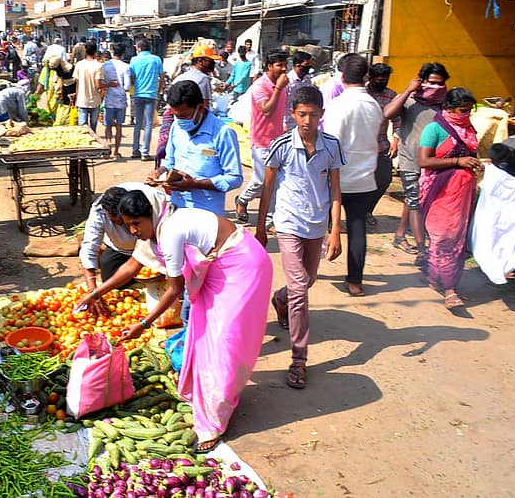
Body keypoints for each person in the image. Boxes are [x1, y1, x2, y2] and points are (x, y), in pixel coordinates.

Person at [76, 190, 272, 453]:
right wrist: (96, 292)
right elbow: (131, 267)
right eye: (128, 224)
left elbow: (174, 290)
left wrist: (143, 325)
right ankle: (202, 393)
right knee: (203, 333)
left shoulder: (168, 232)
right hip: (219, 266)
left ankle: (214, 422)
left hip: (242, 265)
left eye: (136, 224)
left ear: (149, 216)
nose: (132, 230)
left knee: (225, 342)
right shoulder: (157, 225)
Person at [255, 86, 344, 389]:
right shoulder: (280, 145)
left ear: (322, 115)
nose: (307, 120)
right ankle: (299, 359)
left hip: (317, 223)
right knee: (300, 291)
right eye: (302, 114)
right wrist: (261, 225)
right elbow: (268, 188)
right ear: (292, 114)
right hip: (288, 222)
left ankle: (280, 299)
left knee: (307, 281)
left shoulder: (331, 146)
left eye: (314, 114)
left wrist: (335, 230)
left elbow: (335, 190)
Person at [322, 54, 383, 297]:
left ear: (342, 76)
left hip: (338, 177)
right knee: (357, 229)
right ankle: (355, 280)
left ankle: (308, 271)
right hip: (365, 176)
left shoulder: (339, 105)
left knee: (319, 224)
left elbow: (331, 143)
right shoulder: (373, 105)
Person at [417, 87, 483, 310]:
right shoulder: (434, 129)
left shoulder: (469, 129)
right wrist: (458, 163)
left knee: (456, 239)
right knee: (443, 237)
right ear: (449, 108)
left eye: (469, 110)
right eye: (462, 110)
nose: (466, 115)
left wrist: (475, 163)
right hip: (440, 194)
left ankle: (437, 278)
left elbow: (471, 155)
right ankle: (450, 289)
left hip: (463, 195)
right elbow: (424, 161)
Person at [383, 62, 450, 264]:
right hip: (411, 159)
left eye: (440, 84)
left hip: (436, 163)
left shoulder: (445, 103)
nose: (435, 88)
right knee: (416, 203)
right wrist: (408, 90)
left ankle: (400, 235)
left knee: (416, 201)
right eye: (431, 83)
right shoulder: (410, 100)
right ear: (422, 81)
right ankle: (422, 249)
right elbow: (387, 113)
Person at [148, 80, 243, 214]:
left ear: (201, 108)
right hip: (177, 207)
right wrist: (158, 172)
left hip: (207, 211)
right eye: (175, 115)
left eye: (184, 115)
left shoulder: (223, 133)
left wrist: (195, 184)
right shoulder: (176, 127)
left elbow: (234, 178)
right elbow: (169, 161)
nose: (180, 120)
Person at [235, 48, 289, 227]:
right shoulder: (260, 86)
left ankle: (269, 220)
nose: (283, 69)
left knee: (275, 182)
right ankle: (242, 199)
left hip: (278, 139)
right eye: (279, 65)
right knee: (261, 181)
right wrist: (278, 88)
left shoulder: (283, 84)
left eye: (285, 65)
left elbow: (284, 109)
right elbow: (266, 110)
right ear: (269, 66)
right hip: (261, 141)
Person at [79, 184, 168, 290]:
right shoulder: (99, 211)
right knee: (111, 284)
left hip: (153, 244)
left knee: (163, 284)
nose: (132, 231)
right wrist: (92, 289)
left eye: (133, 223)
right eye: (116, 223)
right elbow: (89, 249)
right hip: (120, 249)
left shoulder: (152, 200)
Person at [365, 63, 401, 226]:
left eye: (385, 80)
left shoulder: (391, 96)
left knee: (384, 179)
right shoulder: (361, 93)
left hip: (381, 146)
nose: (382, 83)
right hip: (359, 147)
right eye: (379, 80)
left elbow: (397, 119)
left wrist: (396, 139)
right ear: (370, 78)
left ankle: (368, 210)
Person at [128, 38, 165, 160]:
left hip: (138, 94)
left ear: (139, 48)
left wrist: (135, 85)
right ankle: (145, 152)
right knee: (149, 124)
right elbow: (162, 77)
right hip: (151, 94)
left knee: (138, 123)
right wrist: (160, 90)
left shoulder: (134, 60)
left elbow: (132, 78)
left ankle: (135, 150)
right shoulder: (156, 59)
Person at [101, 43, 132, 157]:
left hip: (109, 100)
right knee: (119, 127)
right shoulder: (126, 67)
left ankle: (108, 149)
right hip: (121, 101)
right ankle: (116, 151)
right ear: (123, 53)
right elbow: (127, 87)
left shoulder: (105, 65)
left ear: (113, 52)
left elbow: (102, 83)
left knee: (108, 126)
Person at [73, 40, 105, 132]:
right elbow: (98, 85)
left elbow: (77, 84)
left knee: (83, 128)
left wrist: (76, 99)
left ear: (85, 51)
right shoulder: (99, 65)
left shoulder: (79, 65)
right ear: (95, 52)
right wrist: (110, 84)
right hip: (95, 101)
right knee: (93, 128)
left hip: (82, 100)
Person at [284, 51, 314, 131]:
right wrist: (283, 123)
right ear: (298, 65)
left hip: (302, 121)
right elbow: (282, 103)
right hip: (288, 122)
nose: (309, 67)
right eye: (306, 65)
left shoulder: (307, 80)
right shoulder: (287, 81)